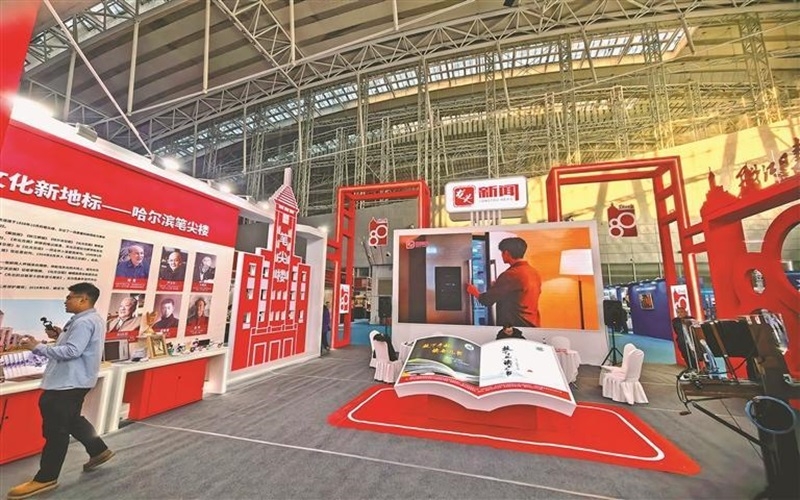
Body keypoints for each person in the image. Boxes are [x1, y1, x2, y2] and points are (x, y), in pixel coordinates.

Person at [9, 283, 114, 499]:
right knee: (72, 419)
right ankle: (98, 450)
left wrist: (36, 347)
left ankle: (46, 477)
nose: (66, 301)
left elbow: (72, 351)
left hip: (67, 383)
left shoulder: (83, 322)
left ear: (83, 299)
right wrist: (59, 336)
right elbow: (75, 346)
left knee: (56, 431)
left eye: (70, 297)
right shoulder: (89, 319)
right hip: (74, 381)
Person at [466, 237, 542, 327]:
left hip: (515, 327)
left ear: (506, 253)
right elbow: (518, 294)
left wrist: (473, 291)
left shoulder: (510, 275)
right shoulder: (533, 272)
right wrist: (497, 285)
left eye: (502, 252)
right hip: (531, 324)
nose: (501, 255)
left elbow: (486, 300)